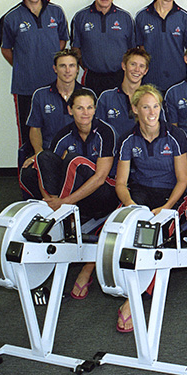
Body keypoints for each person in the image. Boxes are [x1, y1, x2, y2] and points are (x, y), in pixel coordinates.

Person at [23, 88, 118, 302]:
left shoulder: (105, 132)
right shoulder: (64, 134)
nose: (85, 113)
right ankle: (51, 213)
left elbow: (100, 177)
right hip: (75, 194)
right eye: (80, 108)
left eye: (90, 107)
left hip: (105, 194)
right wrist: (50, 194)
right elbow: (50, 167)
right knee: (43, 158)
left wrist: (64, 202)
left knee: (76, 161)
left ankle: (58, 215)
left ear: (95, 109)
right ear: (70, 110)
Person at [114, 84, 187, 332]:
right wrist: (132, 206)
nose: (151, 112)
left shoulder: (175, 136)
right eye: (146, 107)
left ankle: (133, 296)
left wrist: (167, 207)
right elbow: (121, 183)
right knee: (126, 228)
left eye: (156, 106)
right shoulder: (128, 138)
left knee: (155, 236)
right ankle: (120, 280)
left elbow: (183, 180)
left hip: (171, 194)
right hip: (140, 193)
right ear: (135, 109)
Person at [0, 0, 68, 147]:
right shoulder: (10, 17)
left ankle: (52, 173)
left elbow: (62, 41)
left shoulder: (56, 12)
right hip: (25, 87)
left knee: (55, 132)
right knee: (28, 134)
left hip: (53, 84)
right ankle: (28, 173)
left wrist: (48, 60)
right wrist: (24, 64)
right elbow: (6, 49)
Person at [23, 49, 90, 176]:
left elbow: (92, 130)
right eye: (62, 66)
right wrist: (39, 155)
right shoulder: (40, 95)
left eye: (71, 66)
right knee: (28, 173)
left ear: (77, 69)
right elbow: (35, 129)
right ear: (55, 69)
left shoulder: (87, 95)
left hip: (78, 154)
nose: (67, 70)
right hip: (49, 152)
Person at [70, 0, 135, 96]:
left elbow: (132, 50)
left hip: (120, 77)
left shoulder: (125, 18)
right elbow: (75, 49)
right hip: (92, 78)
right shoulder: (80, 17)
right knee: (91, 113)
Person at [134, 0, 187, 92]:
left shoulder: (184, 17)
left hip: (178, 82)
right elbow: (139, 49)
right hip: (149, 82)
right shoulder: (142, 16)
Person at [96, 46, 158, 152]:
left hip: (144, 156)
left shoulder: (152, 99)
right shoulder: (106, 98)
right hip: (114, 156)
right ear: (124, 66)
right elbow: (97, 131)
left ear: (146, 71)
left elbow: (161, 130)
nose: (137, 70)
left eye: (141, 66)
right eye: (133, 64)